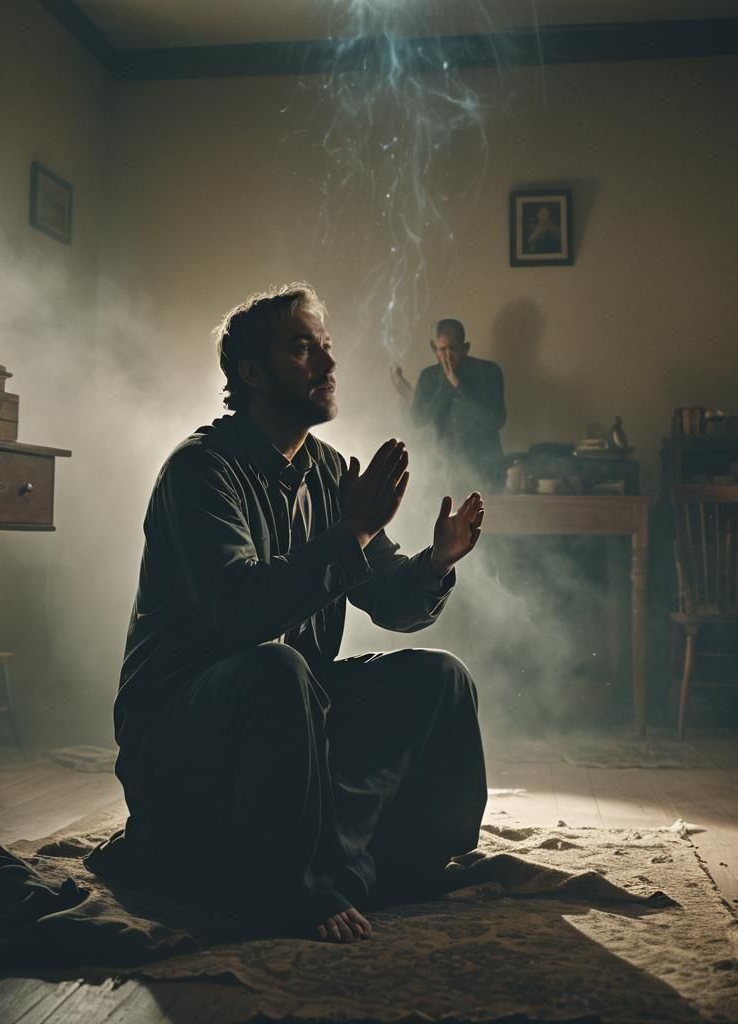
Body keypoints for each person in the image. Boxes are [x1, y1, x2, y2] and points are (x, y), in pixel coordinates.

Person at [97, 283, 488, 946]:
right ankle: (291, 887)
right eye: (303, 349)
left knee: (439, 679)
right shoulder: (200, 471)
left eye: (326, 348)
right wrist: (354, 532)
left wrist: (435, 564)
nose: (329, 365)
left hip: (290, 723)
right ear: (251, 373)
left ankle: (406, 864)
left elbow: (394, 600)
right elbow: (238, 614)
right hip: (184, 735)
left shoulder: (331, 471)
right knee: (277, 668)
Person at [389, 319, 506, 489]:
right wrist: (445, 386)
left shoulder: (488, 372)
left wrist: (459, 385)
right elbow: (418, 420)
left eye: (454, 348)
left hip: (485, 473)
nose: (448, 356)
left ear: (465, 348)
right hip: (443, 475)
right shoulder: (429, 377)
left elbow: (496, 420)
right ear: (434, 348)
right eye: (442, 349)